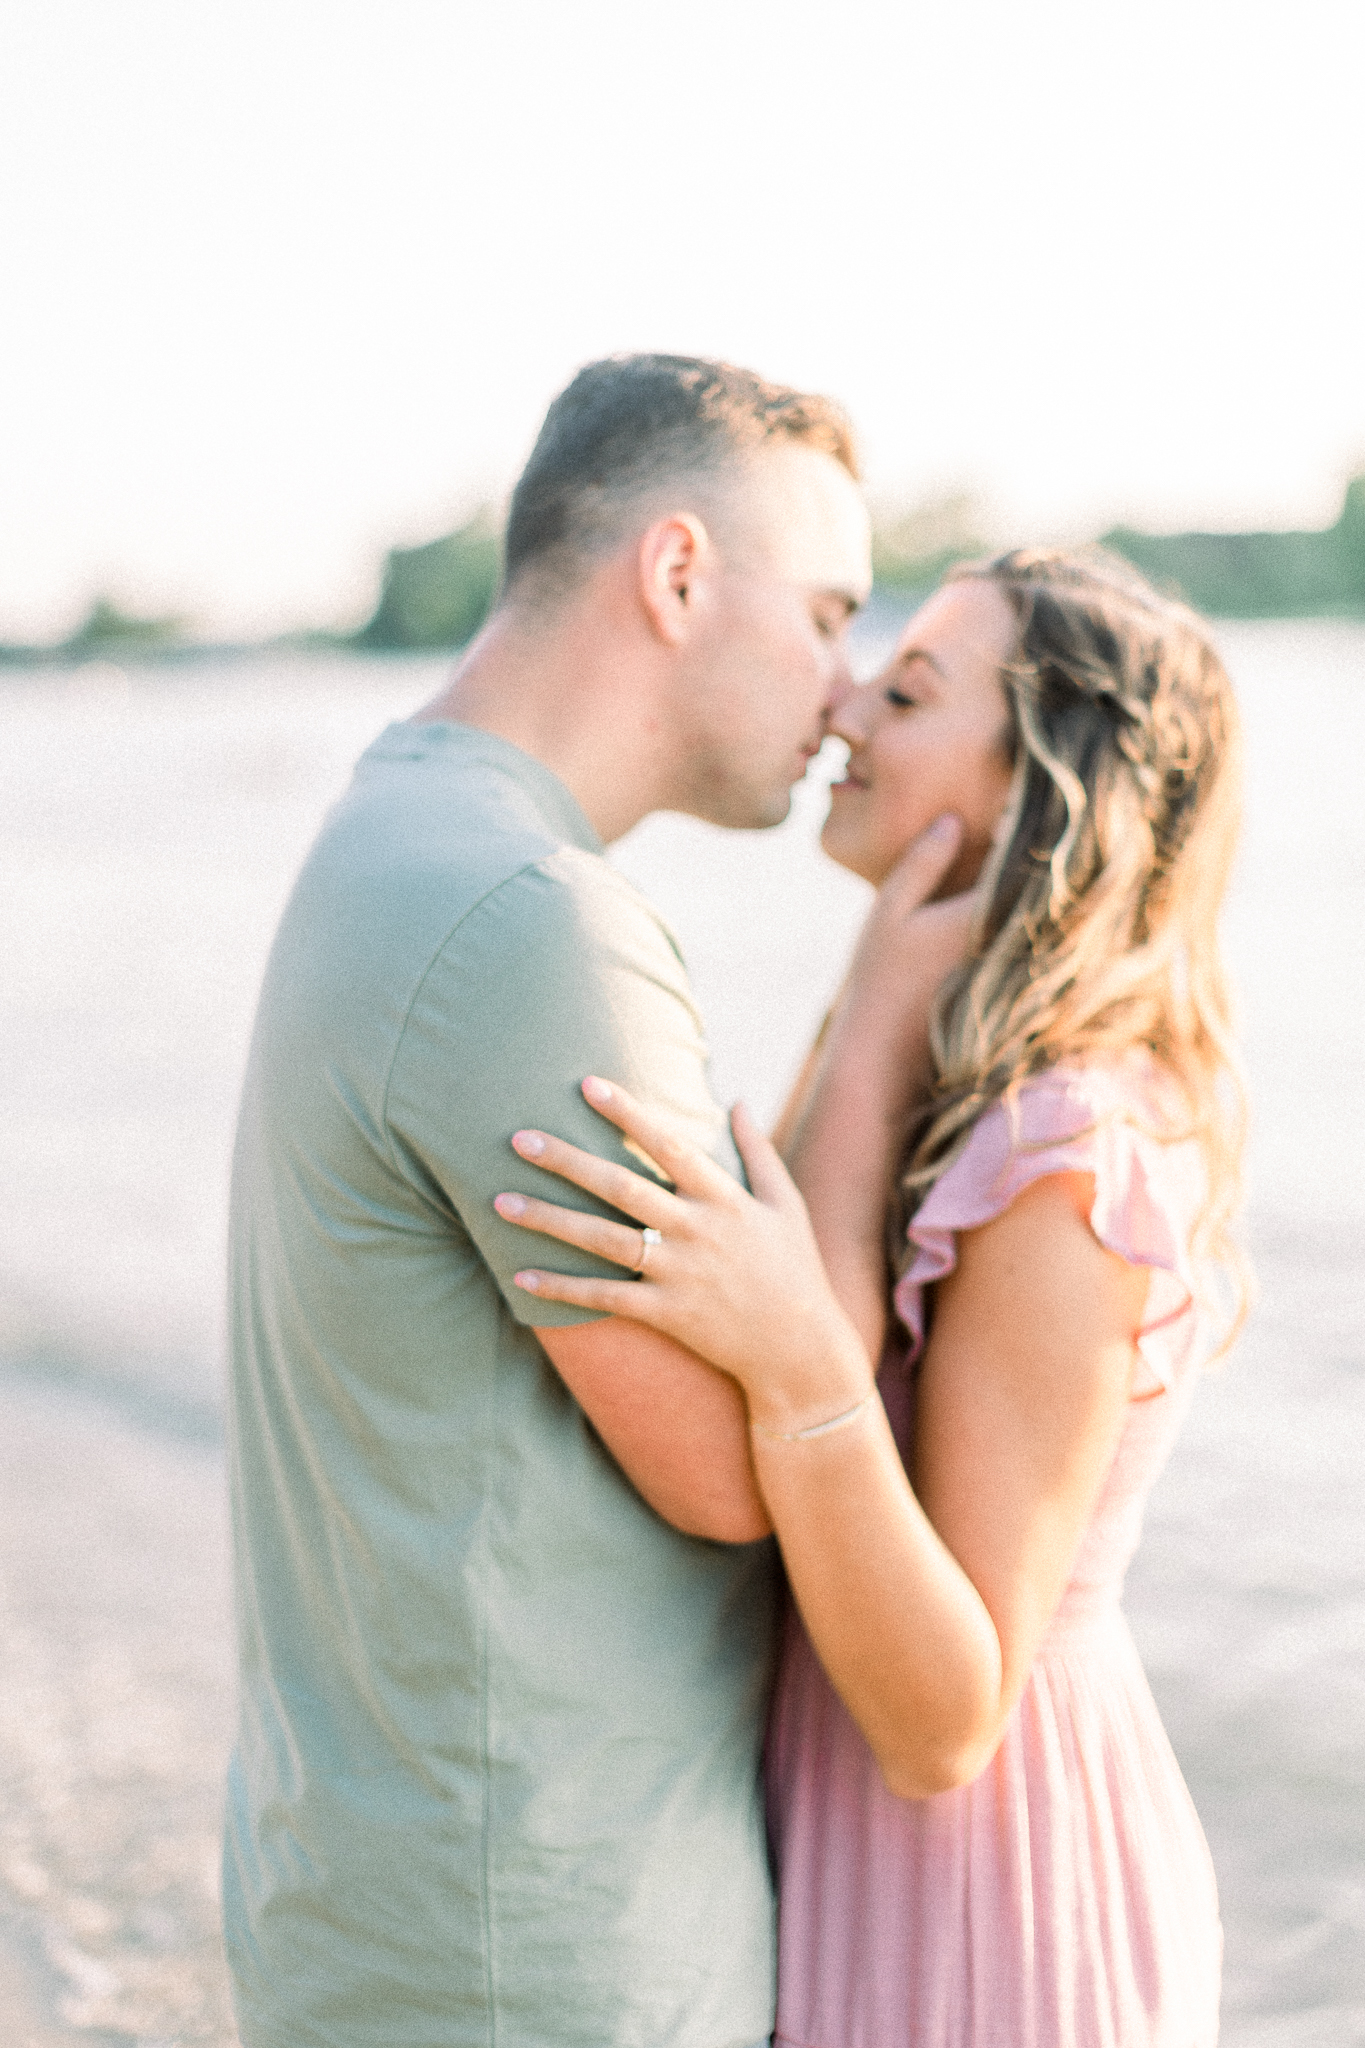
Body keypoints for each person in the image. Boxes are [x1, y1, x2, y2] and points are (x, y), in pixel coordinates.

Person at [223, 353, 966, 2048]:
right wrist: (876, 1036)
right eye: (828, 611)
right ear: (678, 574)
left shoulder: (395, 831)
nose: (845, 693)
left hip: (387, 1910)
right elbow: (730, 1467)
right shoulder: (528, 919)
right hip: (528, 1962)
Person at [494, 548, 1247, 2047]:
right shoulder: (951, 1090)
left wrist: (882, 1012)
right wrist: (875, 1019)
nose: (841, 704)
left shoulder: (1064, 1155)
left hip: (994, 1911)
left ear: (1042, 781)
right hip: (875, 1867)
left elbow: (939, 1720)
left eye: (907, 690)